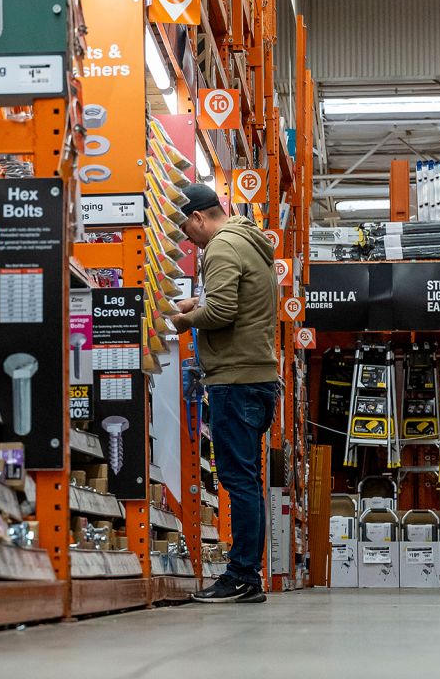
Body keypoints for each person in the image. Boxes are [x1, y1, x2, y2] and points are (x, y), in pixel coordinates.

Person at [170, 183, 280, 604]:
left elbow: (221, 312)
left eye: (186, 229)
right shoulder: (246, 242)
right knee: (247, 479)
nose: (187, 239)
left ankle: (242, 576)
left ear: (199, 217)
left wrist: (178, 323)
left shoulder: (219, 248)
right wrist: (191, 304)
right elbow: (236, 298)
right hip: (254, 378)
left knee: (238, 480)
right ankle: (247, 575)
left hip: (235, 379)